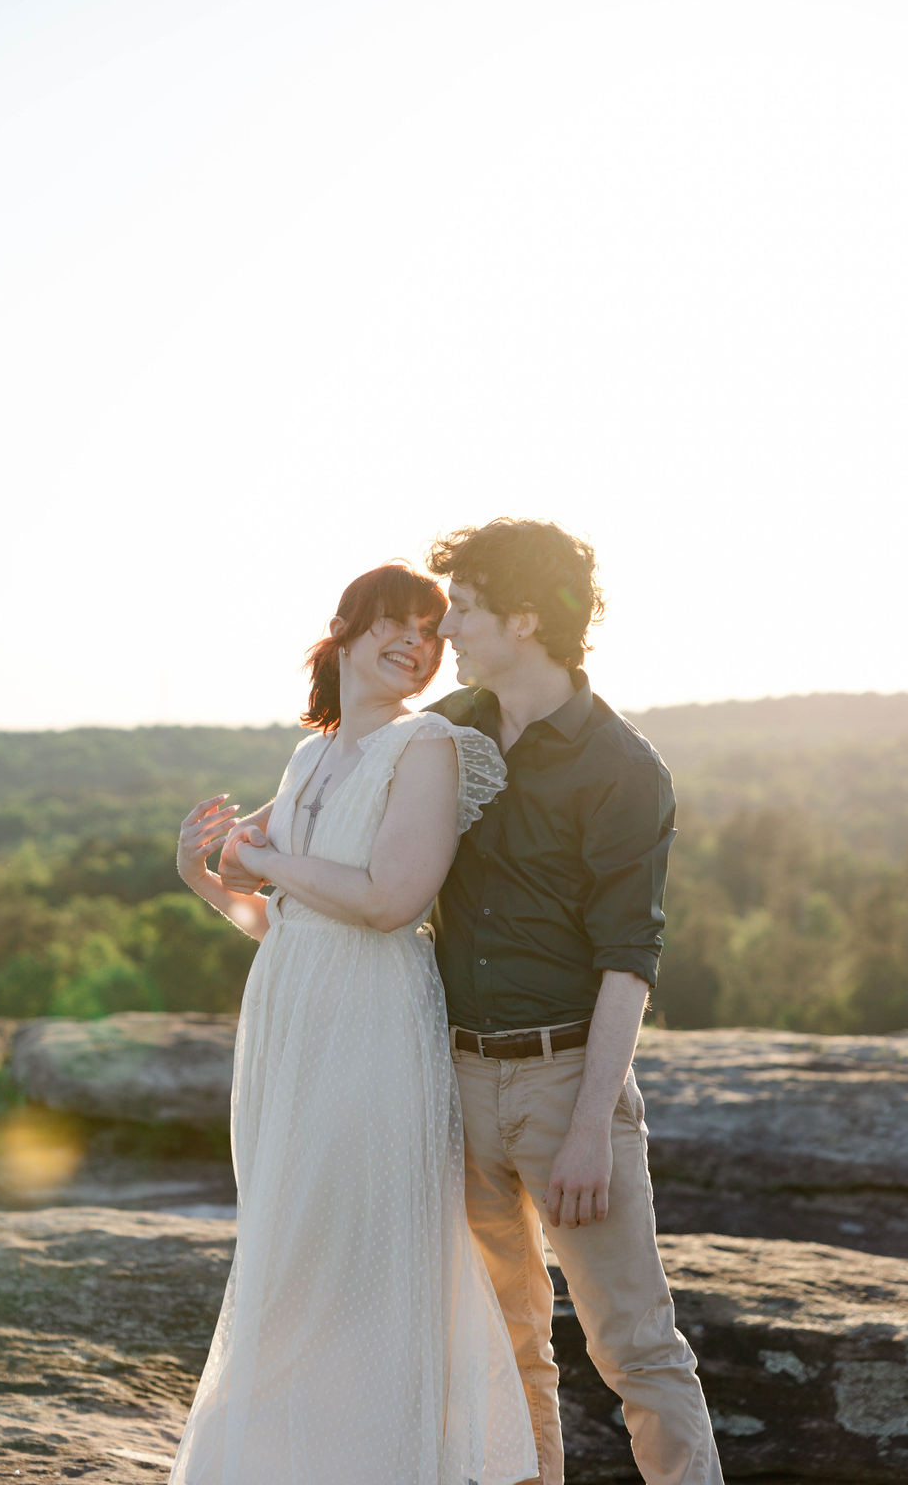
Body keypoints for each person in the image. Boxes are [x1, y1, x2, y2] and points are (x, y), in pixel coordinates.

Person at [170, 563, 538, 1485]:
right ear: (344, 628)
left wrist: (262, 858)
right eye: (396, 625)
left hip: (376, 1027)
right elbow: (282, 917)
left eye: (432, 633)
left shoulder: (429, 749)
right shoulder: (310, 755)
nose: (417, 646)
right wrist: (209, 881)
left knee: (358, 1258)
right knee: (289, 1253)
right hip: (292, 1023)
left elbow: (387, 902)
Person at [424, 518, 724, 1485]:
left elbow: (630, 960)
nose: (448, 632)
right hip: (454, 1083)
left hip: (568, 1087)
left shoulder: (622, 767)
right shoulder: (440, 736)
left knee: (636, 1350)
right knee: (504, 1352)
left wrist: (594, 1123)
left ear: (523, 618)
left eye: (463, 612)